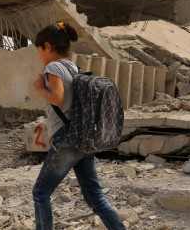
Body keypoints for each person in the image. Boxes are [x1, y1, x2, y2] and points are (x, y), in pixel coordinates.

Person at [31, 22, 125, 230]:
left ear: (47, 46)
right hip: (81, 137)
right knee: (95, 197)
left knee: (40, 192)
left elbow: (57, 97)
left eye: (38, 50)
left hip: (66, 139)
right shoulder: (73, 67)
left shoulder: (53, 67)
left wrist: (38, 89)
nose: (38, 56)